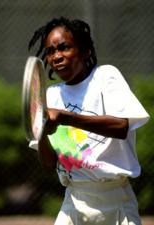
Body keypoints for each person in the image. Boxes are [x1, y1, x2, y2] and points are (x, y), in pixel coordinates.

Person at [28, 17, 149, 225]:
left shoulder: (105, 77)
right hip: (74, 202)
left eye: (64, 47)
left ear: (86, 51)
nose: (56, 56)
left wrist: (66, 117)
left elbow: (121, 126)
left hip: (116, 200)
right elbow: (49, 164)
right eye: (50, 51)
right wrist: (43, 132)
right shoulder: (51, 96)